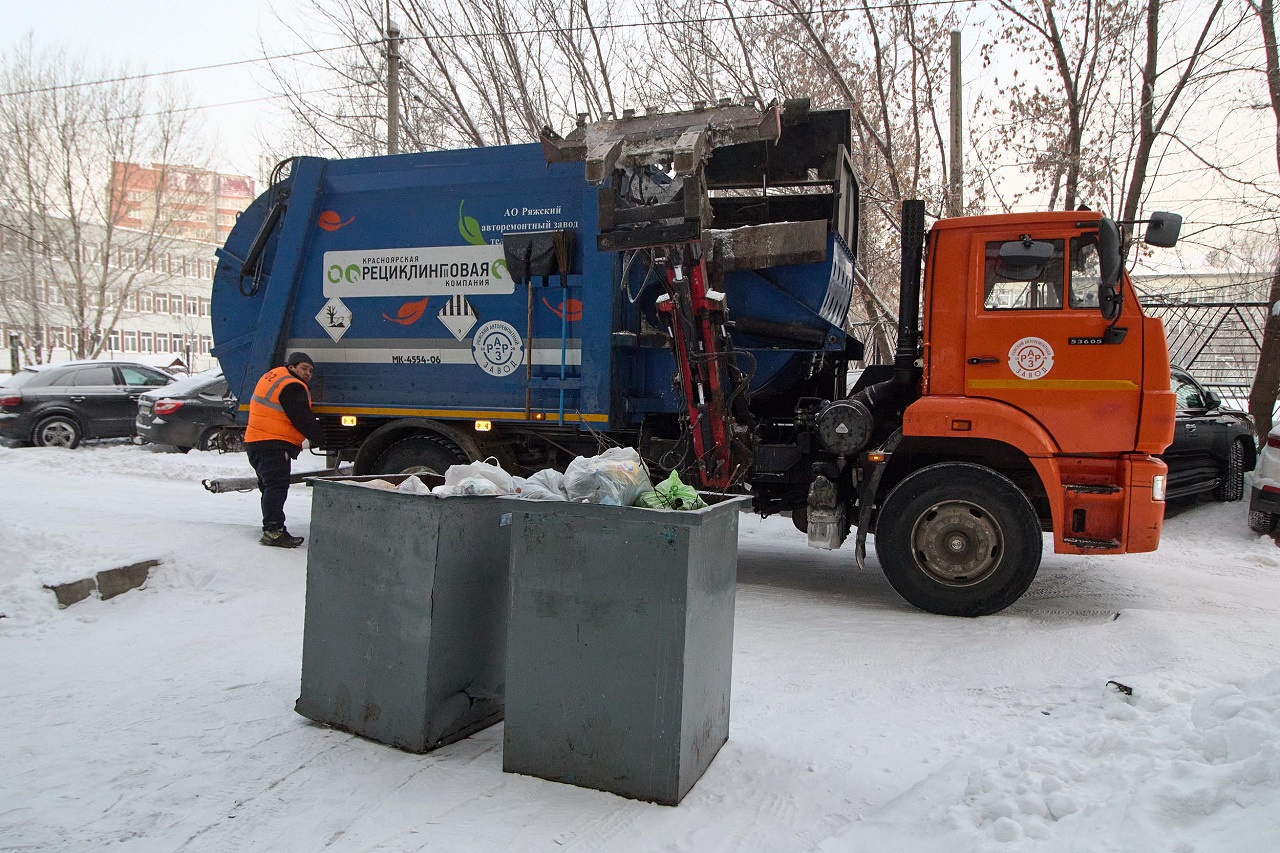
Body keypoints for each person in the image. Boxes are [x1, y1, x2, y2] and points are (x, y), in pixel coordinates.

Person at [244, 351, 326, 548]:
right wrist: (322, 439)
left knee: (269, 486)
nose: (307, 373)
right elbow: (302, 418)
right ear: (292, 367)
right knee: (276, 486)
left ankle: (272, 526)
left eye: (310, 370)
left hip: (256, 442)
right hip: (273, 443)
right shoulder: (292, 386)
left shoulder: (274, 377)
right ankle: (273, 531)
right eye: (304, 368)